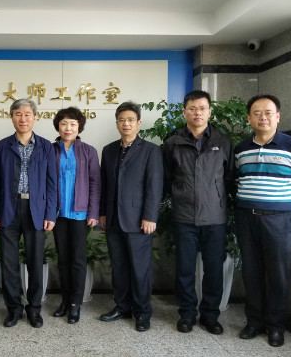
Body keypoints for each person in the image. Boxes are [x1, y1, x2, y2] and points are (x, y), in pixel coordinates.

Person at [235, 94, 291, 347]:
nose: (263, 117)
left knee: (278, 273)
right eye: (257, 113)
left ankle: (276, 326)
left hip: (279, 219)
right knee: (251, 271)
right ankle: (254, 322)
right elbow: (237, 180)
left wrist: (284, 204)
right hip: (247, 218)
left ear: (278, 116)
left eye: (268, 112)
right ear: (249, 118)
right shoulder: (241, 149)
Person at [163, 90, 234, 334]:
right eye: (192, 108)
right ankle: (187, 314)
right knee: (184, 269)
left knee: (213, 269)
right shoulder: (173, 143)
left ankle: (210, 315)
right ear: (184, 112)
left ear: (209, 112)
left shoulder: (223, 142)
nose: (197, 113)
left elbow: (229, 178)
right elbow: (167, 179)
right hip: (184, 216)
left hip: (215, 217)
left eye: (202, 108)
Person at [0, 99, 57, 328]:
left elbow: (52, 183)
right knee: (9, 262)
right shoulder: (2, 146)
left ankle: (34, 309)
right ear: (12, 118)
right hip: (8, 209)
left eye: (27, 114)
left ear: (35, 117)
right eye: (18, 114)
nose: (23, 118)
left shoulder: (46, 146)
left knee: (35, 262)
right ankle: (13, 309)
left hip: (36, 210)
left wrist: (50, 214)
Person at [98, 102, 163, 332]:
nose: (126, 124)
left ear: (138, 123)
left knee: (140, 268)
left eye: (130, 120)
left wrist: (150, 216)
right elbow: (104, 184)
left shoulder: (151, 150)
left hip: (138, 220)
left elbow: (154, 186)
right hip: (113, 219)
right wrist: (102, 212)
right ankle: (122, 306)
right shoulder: (108, 150)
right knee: (119, 266)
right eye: (122, 120)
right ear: (117, 123)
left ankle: (142, 312)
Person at [51, 107, 100, 324]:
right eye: (64, 123)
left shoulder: (89, 151)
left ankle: (75, 304)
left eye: (72, 124)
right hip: (58, 214)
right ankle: (65, 300)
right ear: (58, 127)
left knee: (78, 260)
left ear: (79, 126)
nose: (68, 128)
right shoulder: (50, 150)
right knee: (63, 259)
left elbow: (95, 183)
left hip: (80, 214)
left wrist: (93, 212)